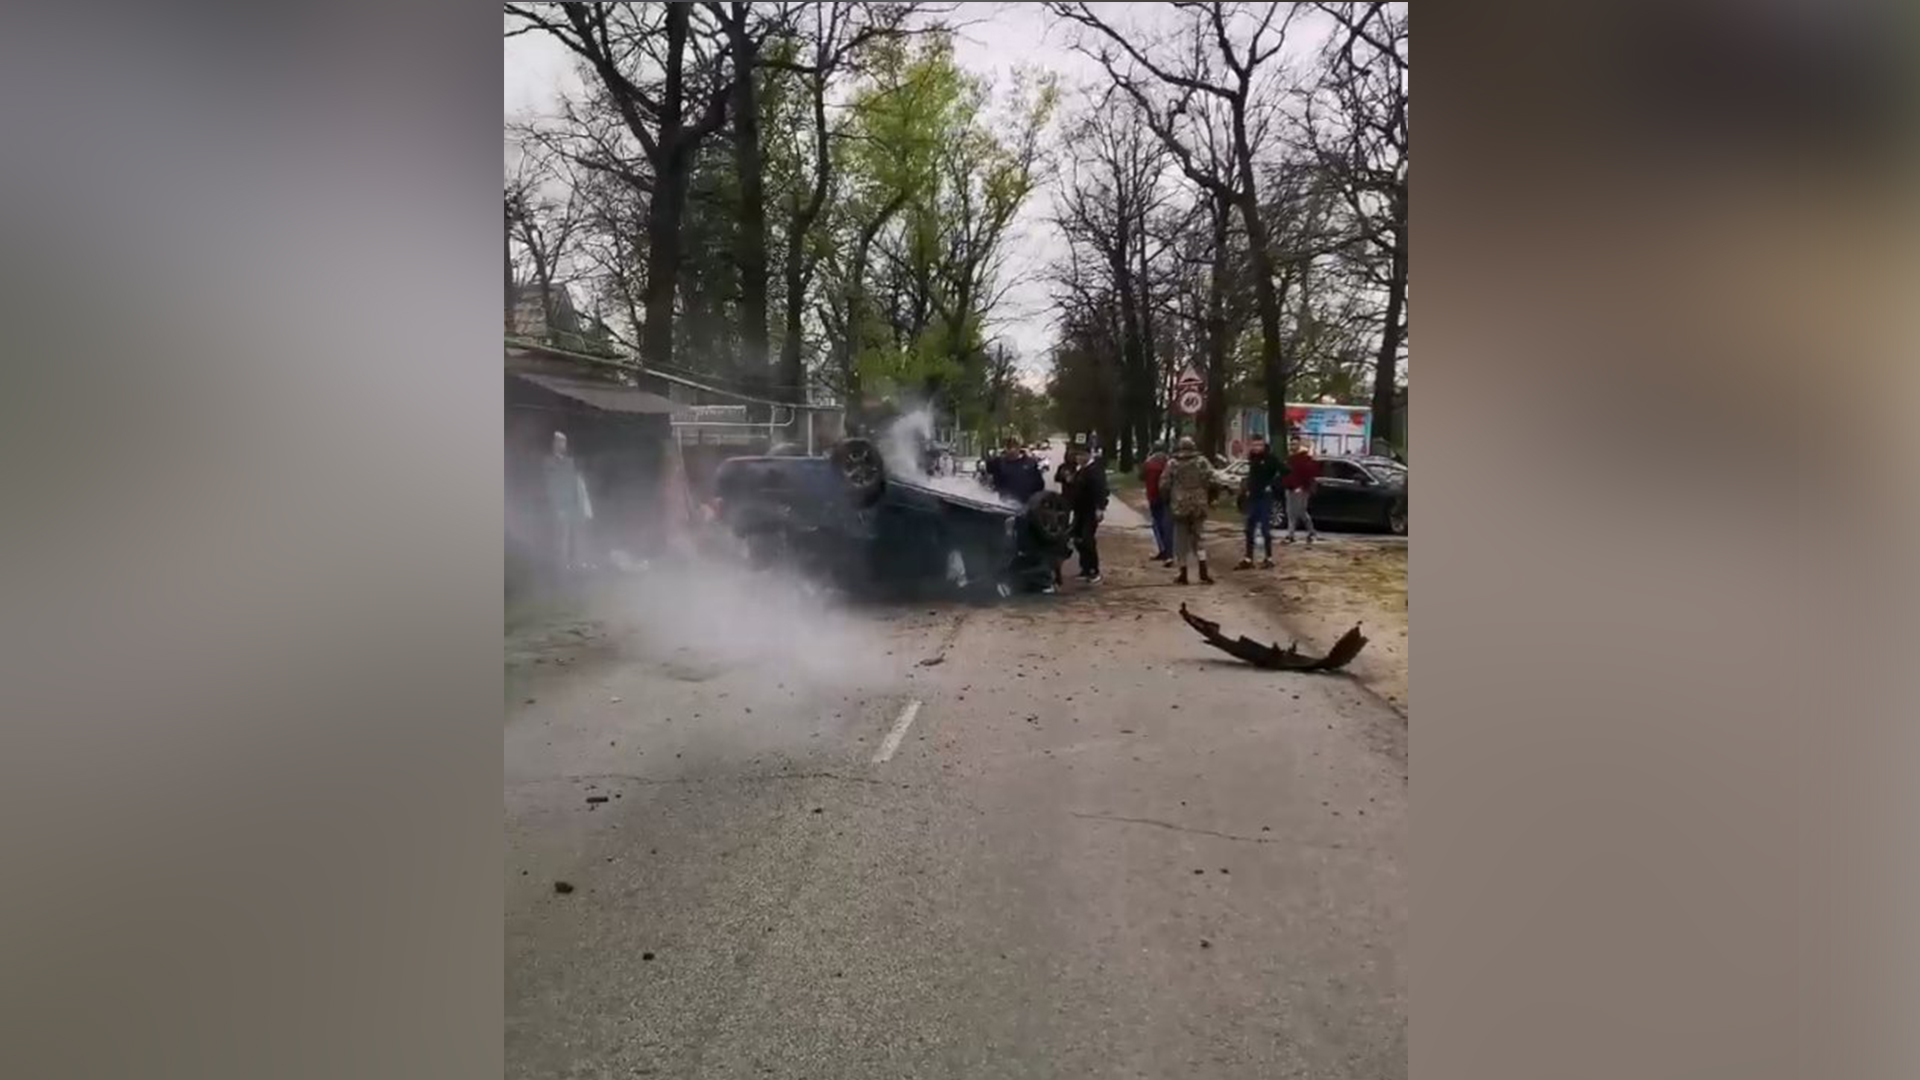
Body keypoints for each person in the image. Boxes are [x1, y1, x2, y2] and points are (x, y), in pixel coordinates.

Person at [1162, 436, 1214, 585]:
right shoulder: (1202, 462)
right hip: (1199, 504)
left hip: (1179, 506)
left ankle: (1183, 573)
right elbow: (1213, 479)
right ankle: (1203, 571)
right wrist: (1209, 496)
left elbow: (1164, 483)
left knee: (1180, 540)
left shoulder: (1173, 463)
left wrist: (1168, 498)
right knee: (1200, 538)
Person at [544, 431, 594, 574]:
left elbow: (576, 483)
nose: (561, 444)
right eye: (558, 441)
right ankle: (561, 566)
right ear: (553, 443)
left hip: (574, 504)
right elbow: (552, 484)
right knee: (561, 537)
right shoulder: (549, 461)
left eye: (563, 441)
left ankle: (579, 563)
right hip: (560, 505)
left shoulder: (570, 462)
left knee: (579, 535)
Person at [1235, 434, 1283, 570]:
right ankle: (1248, 558)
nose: (1257, 448)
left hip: (1265, 498)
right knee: (1249, 527)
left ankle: (1269, 558)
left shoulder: (1271, 458)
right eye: (1254, 445)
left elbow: (1284, 471)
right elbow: (1251, 476)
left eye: (1259, 445)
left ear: (1264, 445)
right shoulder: (1252, 458)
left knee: (1265, 528)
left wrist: (1272, 485)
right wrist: (1247, 488)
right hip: (1253, 497)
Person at [1064, 443, 1107, 584]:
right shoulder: (1081, 470)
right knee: (1077, 538)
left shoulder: (1095, 470)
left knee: (1087, 539)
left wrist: (1100, 508)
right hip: (1079, 510)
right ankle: (1085, 568)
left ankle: (1094, 570)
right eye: (1077, 455)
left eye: (1081, 455)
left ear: (1088, 455)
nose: (1078, 458)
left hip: (1090, 510)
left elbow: (1100, 490)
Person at [1282, 437, 1321, 544]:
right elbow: (1286, 473)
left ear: (1299, 446)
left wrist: (1301, 486)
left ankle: (1311, 532)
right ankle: (1291, 535)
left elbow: (1309, 473)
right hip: (1290, 488)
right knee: (1290, 512)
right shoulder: (1290, 459)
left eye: (1295, 444)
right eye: (1291, 444)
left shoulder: (1304, 459)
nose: (1292, 446)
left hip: (1301, 489)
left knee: (1300, 511)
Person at [987, 437, 1044, 503]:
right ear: (1005, 448)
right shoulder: (998, 462)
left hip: (1027, 502)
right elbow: (988, 473)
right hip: (1005, 503)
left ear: (1019, 448)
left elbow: (1039, 484)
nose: (1012, 450)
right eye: (1009, 447)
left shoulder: (1030, 463)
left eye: (1014, 447)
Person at [1141, 445, 1172, 564]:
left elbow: (1141, 476)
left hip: (1153, 496)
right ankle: (1169, 552)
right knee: (1167, 525)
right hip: (1167, 497)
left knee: (1157, 524)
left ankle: (1163, 549)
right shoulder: (1169, 463)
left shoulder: (1149, 464)